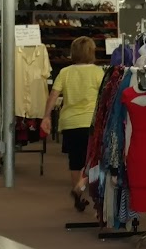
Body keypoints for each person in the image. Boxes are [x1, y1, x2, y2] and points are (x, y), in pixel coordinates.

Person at [43, 36, 106, 211]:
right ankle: (81, 186)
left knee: (75, 160)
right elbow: (104, 97)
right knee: (94, 159)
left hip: (70, 122)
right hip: (90, 122)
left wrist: (46, 116)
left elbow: (53, 95)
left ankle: (78, 197)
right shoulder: (98, 72)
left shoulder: (65, 72)